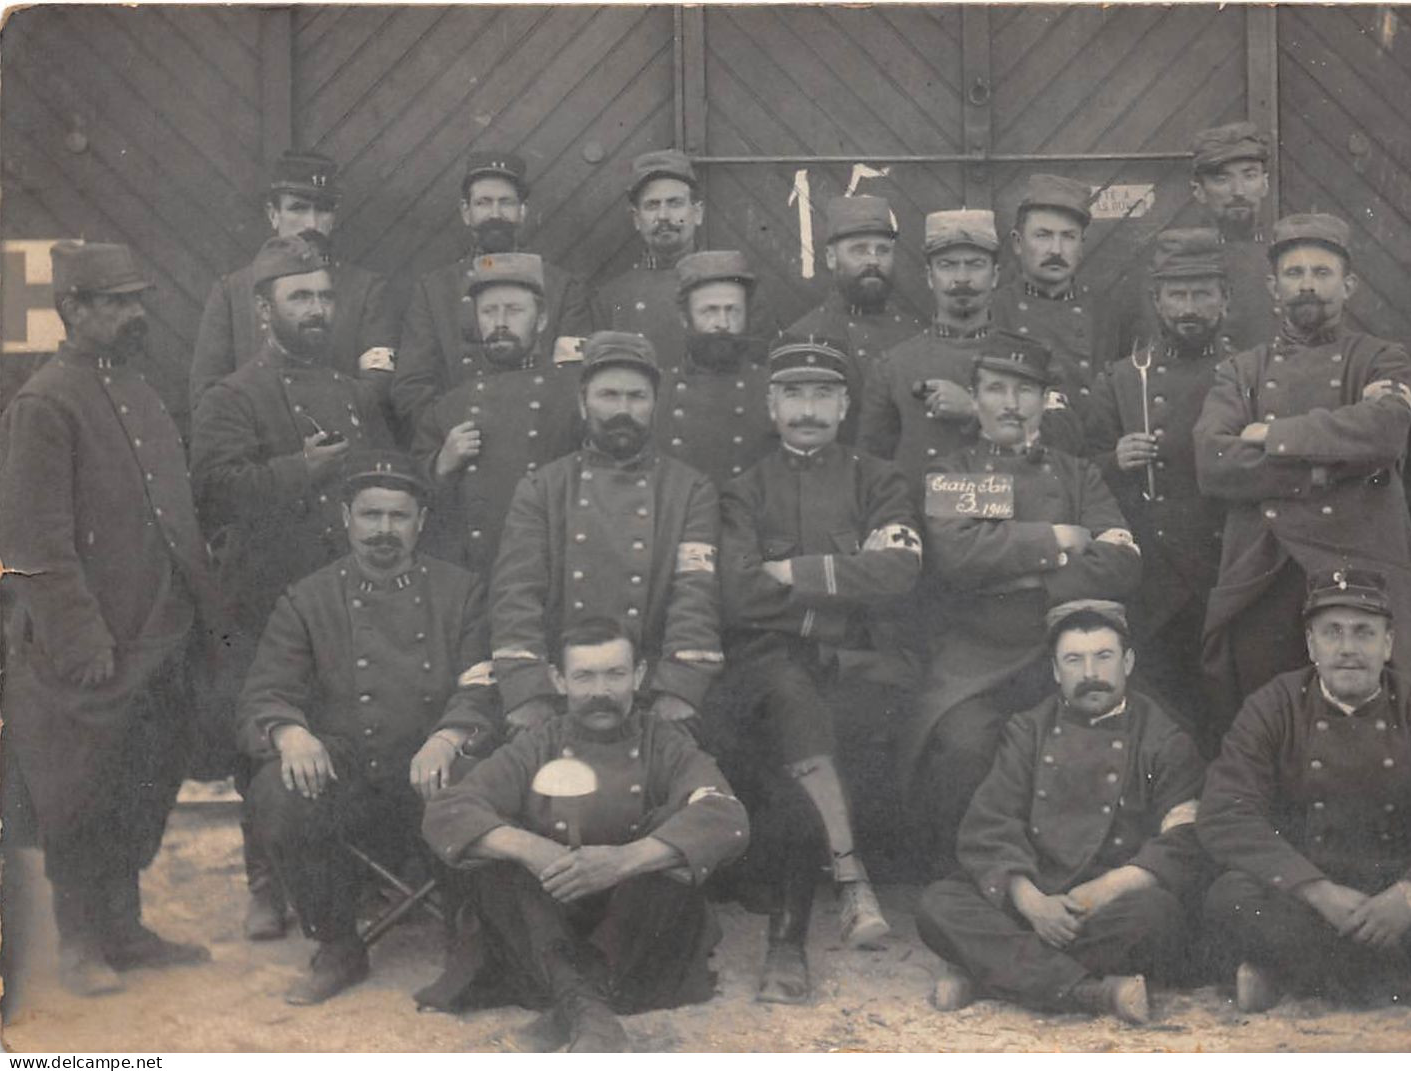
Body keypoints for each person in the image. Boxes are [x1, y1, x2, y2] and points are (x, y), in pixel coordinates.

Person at [0, 242, 215, 995]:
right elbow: (32, 541)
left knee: (139, 780)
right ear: (74, 311)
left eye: (136, 300)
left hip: (156, 633)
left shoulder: (140, 390)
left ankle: (124, 926)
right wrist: (79, 635)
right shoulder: (46, 402)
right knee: (78, 790)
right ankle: (80, 941)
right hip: (90, 645)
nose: (134, 315)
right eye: (116, 302)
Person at [1198, 568, 1411, 1026]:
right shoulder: (1272, 707)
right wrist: (1315, 889)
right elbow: (1225, 811)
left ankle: (1294, 977)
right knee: (1229, 895)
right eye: (1333, 633)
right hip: (1310, 895)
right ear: (1311, 645)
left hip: (1398, 887)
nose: (1348, 648)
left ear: (1387, 645)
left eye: (1364, 633)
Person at [238, 450, 501, 1005]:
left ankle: (468, 942)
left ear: (421, 522)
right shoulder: (306, 598)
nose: (384, 530)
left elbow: (482, 685)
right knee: (277, 792)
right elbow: (265, 693)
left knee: (477, 778)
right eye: (371, 515)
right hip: (347, 771)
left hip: (433, 767)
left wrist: (449, 736)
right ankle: (337, 945)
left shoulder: (462, 592)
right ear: (346, 519)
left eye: (398, 516)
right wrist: (291, 734)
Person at [191, 234, 395, 940]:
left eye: (324, 296)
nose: (316, 309)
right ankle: (265, 882)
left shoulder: (348, 392)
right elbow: (212, 492)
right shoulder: (230, 396)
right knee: (266, 745)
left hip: (341, 600)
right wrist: (298, 471)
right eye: (299, 296)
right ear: (262, 307)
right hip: (263, 600)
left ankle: (340, 871)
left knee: (338, 727)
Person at [420, 617, 750, 1052]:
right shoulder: (537, 743)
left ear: (639, 676)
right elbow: (447, 810)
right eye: (584, 676)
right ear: (559, 680)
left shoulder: (663, 741)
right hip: (548, 924)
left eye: (615, 674)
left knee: (671, 834)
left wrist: (624, 860)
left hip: (637, 930)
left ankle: (575, 1003)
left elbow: (726, 816)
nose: (601, 691)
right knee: (497, 850)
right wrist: (530, 848)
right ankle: (591, 1012)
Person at [711, 335, 923, 1002]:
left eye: (822, 394)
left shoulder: (877, 479)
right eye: (793, 394)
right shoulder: (743, 490)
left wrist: (790, 577)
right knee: (791, 702)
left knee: (811, 725)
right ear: (771, 405)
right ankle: (843, 881)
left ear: (843, 404)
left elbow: (899, 570)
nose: (807, 409)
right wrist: (838, 590)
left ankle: (798, 931)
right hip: (765, 666)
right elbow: (736, 591)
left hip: (860, 663)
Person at [1194, 213, 1411, 734]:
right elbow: (1214, 463)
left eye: (1322, 272)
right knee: (1262, 708)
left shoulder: (1380, 360)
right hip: (1268, 564)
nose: (1308, 284)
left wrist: (1274, 436)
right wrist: (1320, 473)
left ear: (1347, 284)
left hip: (1361, 559)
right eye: (1294, 273)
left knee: (1384, 705)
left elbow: (1383, 432)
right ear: (1272, 287)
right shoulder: (1241, 370)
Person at [905, 334, 1142, 874]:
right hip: (977, 658)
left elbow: (1123, 560)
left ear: (1044, 401)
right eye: (995, 389)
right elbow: (958, 554)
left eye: (1025, 391)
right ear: (975, 397)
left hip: (1060, 652)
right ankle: (963, 878)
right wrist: (1061, 538)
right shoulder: (953, 472)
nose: (1011, 404)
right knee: (964, 746)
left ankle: (1063, 872)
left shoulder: (1079, 473)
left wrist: (1023, 577)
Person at [915, 601, 1206, 1025]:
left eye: (1104, 657)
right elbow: (991, 823)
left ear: (1128, 661)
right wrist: (1031, 902)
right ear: (1055, 670)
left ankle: (986, 970)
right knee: (938, 904)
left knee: (1158, 917)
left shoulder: (1165, 739)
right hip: (1031, 897)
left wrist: (1104, 889)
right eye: (1074, 660)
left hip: (1106, 908)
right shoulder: (1027, 730)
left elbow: (1183, 840)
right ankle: (1090, 992)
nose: (1090, 673)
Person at [489, 331, 724, 732]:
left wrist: (680, 689)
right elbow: (517, 593)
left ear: (655, 405)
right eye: (608, 395)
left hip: (650, 688)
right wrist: (529, 691)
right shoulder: (542, 489)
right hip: (562, 688)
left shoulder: (691, 490)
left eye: (637, 397)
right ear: (583, 404)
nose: (623, 410)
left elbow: (695, 595)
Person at [1084, 228, 1231, 754]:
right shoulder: (1125, 380)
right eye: (1177, 295)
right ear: (1157, 301)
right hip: (1156, 584)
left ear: (1224, 299)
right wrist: (1115, 459)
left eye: (1202, 294)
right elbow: (1080, 474)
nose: (1189, 308)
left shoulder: (1251, 373)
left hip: (1230, 573)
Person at [858, 210, 1081, 490]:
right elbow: (871, 468)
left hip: (1016, 524)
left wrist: (976, 410)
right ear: (929, 276)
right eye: (948, 265)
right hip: (923, 520)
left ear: (995, 275)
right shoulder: (894, 366)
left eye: (975, 265)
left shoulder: (1034, 359)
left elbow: (1068, 441)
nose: (962, 278)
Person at [392, 151, 594, 433]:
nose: (495, 214)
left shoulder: (562, 287)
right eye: (484, 203)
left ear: (523, 211)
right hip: (462, 439)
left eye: (506, 203)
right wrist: (448, 434)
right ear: (466, 212)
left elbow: (574, 379)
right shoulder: (434, 290)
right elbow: (412, 386)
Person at [412, 252, 584, 575]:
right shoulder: (449, 407)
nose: (501, 322)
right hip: (477, 575)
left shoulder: (576, 395)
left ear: (542, 319)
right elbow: (415, 501)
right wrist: (441, 464)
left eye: (515, 310)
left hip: (555, 568)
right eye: (489, 311)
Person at [190, 150, 396, 411]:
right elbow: (208, 395)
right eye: (298, 208)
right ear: (273, 214)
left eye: (323, 209)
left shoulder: (366, 289)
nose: (311, 222)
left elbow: (376, 387)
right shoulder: (232, 292)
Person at [1104, 122, 1276, 363]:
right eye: (1222, 178)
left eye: (1249, 176)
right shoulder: (1165, 262)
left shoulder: (1284, 262)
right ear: (1199, 190)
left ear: (1264, 184)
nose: (1238, 190)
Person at [783, 194, 924, 437]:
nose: (873, 260)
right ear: (830, 257)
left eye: (883, 250)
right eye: (859, 250)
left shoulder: (917, 335)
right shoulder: (801, 338)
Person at [652, 250, 778, 484]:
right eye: (709, 311)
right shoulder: (658, 391)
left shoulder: (772, 389)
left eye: (732, 310)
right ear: (684, 317)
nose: (722, 323)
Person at [590, 150, 707, 374]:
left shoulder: (732, 290)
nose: (663, 216)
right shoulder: (611, 298)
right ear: (636, 219)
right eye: (652, 205)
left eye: (675, 203)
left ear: (697, 213)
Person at [990, 174, 1102, 407]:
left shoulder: (1107, 316)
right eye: (1043, 235)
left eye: (1068, 237)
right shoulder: (994, 311)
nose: (1056, 250)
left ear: (1082, 245)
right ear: (1018, 243)